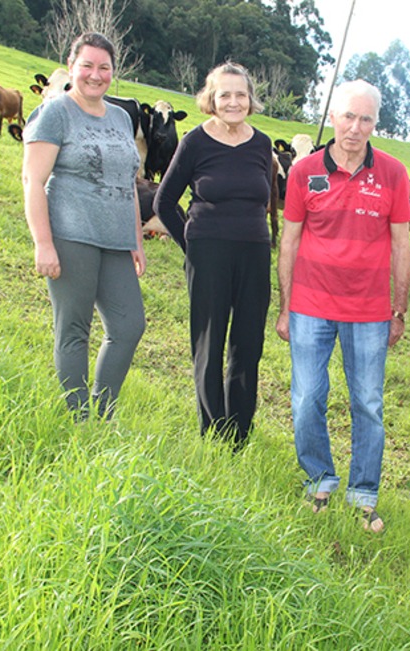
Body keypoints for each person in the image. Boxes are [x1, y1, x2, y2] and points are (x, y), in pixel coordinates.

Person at [275, 79, 410, 533]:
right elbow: (289, 240)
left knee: (368, 403)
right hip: (310, 304)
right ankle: (319, 478)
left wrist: (399, 309)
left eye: (366, 118)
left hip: (370, 310)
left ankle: (363, 493)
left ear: (376, 123)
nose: (356, 127)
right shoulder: (303, 171)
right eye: (349, 116)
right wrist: (284, 306)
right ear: (332, 116)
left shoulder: (393, 173)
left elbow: (401, 247)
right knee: (307, 397)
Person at [21, 32, 147, 421]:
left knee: (129, 326)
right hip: (70, 234)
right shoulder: (56, 112)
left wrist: (136, 239)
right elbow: (32, 181)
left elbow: (129, 182)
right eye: (87, 65)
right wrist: (43, 243)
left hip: (116, 240)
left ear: (113, 72)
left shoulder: (121, 117)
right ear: (72, 67)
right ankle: (78, 419)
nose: (96, 74)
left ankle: (102, 411)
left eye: (104, 67)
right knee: (74, 328)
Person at [154, 62, 274, 451]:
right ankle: (214, 430)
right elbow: (164, 201)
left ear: (250, 99)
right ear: (211, 98)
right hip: (208, 252)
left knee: (248, 342)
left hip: (255, 253)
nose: (233, 101)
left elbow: (266, 201)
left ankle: (239, 434)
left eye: (241, 94)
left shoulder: (263, 144)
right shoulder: (194, 141)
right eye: (225, 94)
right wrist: (192, 249)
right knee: (209, 342)